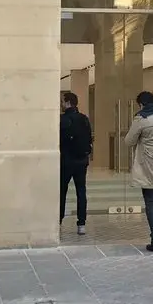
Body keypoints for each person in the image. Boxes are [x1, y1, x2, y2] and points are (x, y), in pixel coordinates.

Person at [124, 91, 153, 252]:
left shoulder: (142, 119)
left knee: (152, 203)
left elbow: (129, 141)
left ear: (141, 104)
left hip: (149, 166)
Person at [59, 91, 93, 236]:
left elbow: (60, 140)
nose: (61, 104)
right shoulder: (84, 119)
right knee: (81, 191)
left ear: (67, 103)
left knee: (62, 191)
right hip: (81, 161)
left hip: (66, 161)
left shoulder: (63, 119)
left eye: (62, 101)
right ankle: (81, 223)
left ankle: (58, 220)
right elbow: (90, 138)